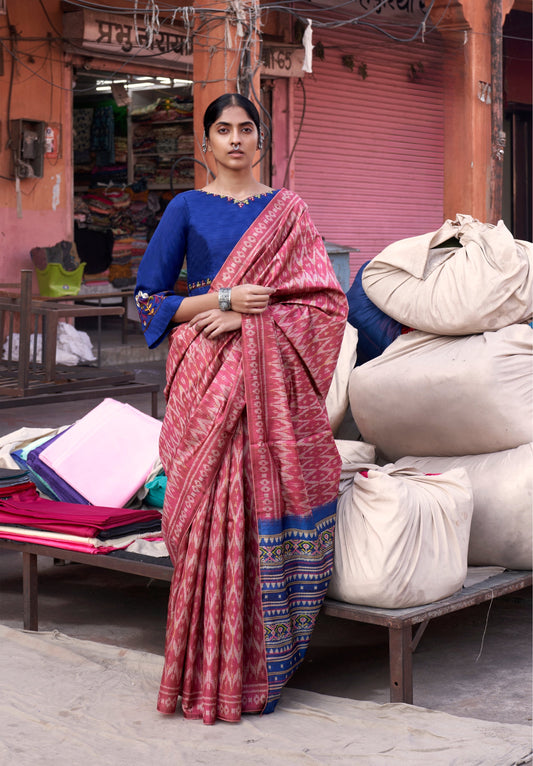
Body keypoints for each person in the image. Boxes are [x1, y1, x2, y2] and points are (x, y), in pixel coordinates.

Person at [135, 92, 348, 725]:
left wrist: (259, 321)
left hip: (267, 387)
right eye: (222, 129)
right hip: (205, 376)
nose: (234, 139)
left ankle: (258, 669)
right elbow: (146, 301)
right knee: (204, 518)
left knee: (261, 504)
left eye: (245, 129)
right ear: (205, 144)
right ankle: (202, 673)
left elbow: (326, 307)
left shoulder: (289, 212)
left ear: (261, 141)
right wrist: (220, 302)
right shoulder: (186, 207)